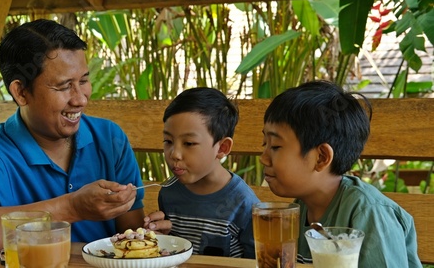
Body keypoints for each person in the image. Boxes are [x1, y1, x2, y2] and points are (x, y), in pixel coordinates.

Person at [0, 19, 169, 255]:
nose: (80, 99)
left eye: (84, 80)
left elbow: (130, 232)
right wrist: (71, 207)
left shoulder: (109, 139)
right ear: (21, 92)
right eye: (64, 86)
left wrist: (150, 235)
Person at [259, 80, 422, 267]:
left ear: (321, 157)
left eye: (276, 146)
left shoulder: (369, 213)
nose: (263, 158)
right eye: (265, 145)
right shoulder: (301, 207)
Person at [158, 87, 259, 258]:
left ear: (222, 148)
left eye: (189, 143)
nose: (174, 154)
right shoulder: (168, 192)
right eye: (168, 141)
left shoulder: (243, 203)